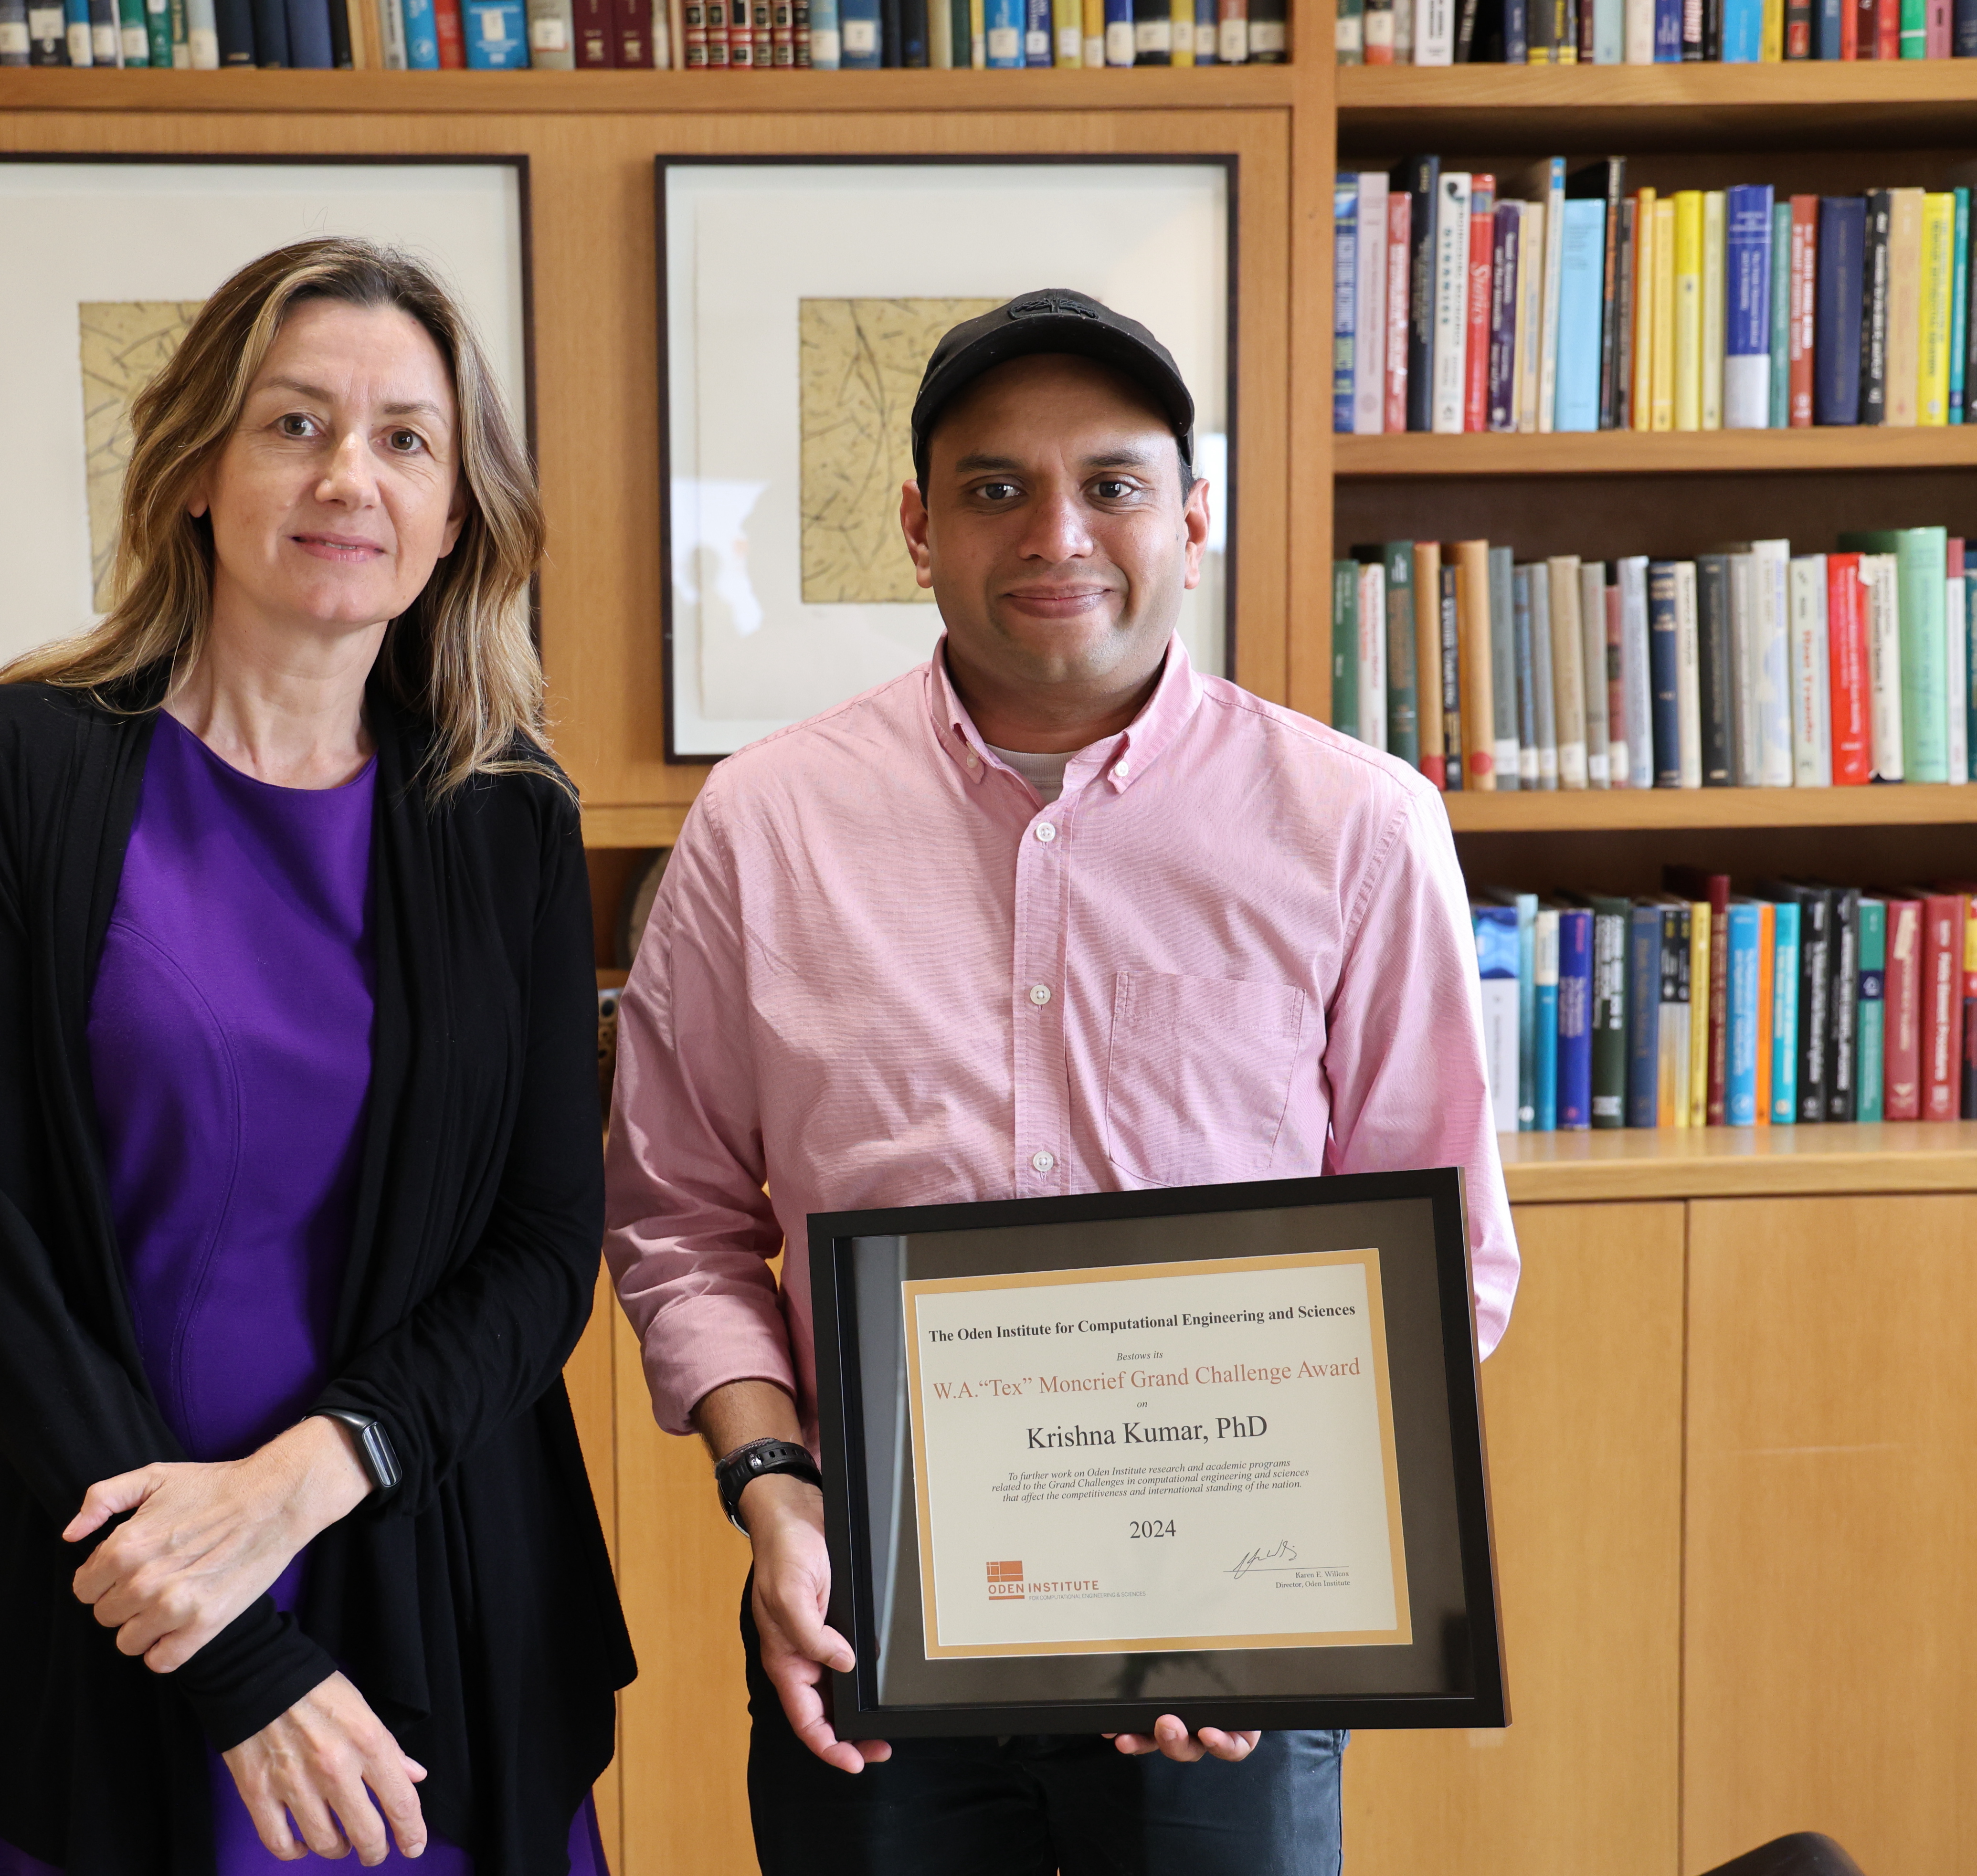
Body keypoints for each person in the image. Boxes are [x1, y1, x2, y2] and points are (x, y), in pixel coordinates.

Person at [604, 288, 1521, 1876]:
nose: (1056, 531)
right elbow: (676, 1218)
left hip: (1230, 1651)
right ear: (916, 525)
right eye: (994, 486)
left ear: (1193, 515)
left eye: (1111, 482)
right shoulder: (763, 831)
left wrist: (1279, 1572)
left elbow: (1441, 1255)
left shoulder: (1357, 829)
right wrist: (772, 1488)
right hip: (865, 1628)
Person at [0, 237, 632, 1876]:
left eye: (405, 438)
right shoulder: (5, 778)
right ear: (198, 471)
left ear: (455, 518)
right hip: (101, 1585)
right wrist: (225, 1638)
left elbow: (542, 1249)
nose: (347, 473)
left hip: (429, 1572)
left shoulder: (508, 818)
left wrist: (304, 1481)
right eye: (295, 422)